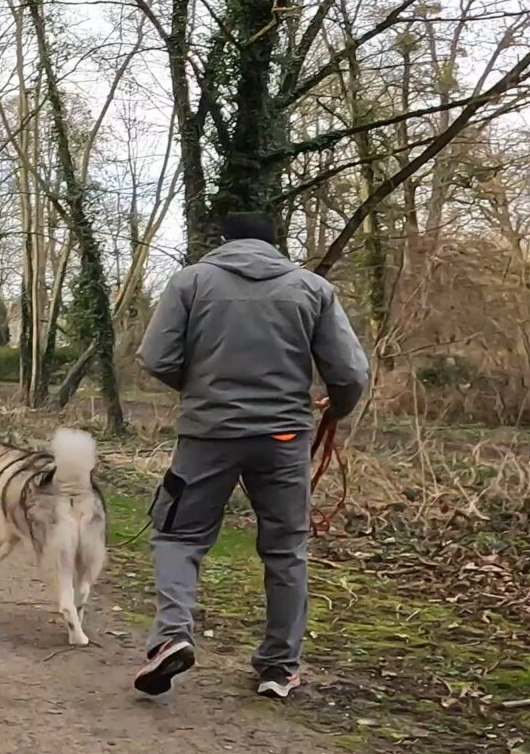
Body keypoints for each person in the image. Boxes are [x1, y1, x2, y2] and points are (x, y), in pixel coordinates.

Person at [132, 211, 369, 700]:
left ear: (225, 240)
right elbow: (349, 373)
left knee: (179, 536)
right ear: (274, 243)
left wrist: (199, 390)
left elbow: (157, 357)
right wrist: (337, 409)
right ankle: (279, 668)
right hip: (283, 440)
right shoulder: (312, 289)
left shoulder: (190, 282)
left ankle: (172, 636)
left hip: (207, 435)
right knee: (286, 551)